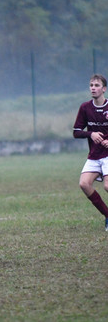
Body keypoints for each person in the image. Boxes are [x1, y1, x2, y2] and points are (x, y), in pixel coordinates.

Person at [73, 74, 108, 232]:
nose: (93, 88)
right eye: (91, 85)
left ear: (104, 89)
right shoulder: (85, 107)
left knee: (107, 186)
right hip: (94, 155)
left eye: (97, 85)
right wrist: (91, 134)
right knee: (84, 184)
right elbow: (76, 132)